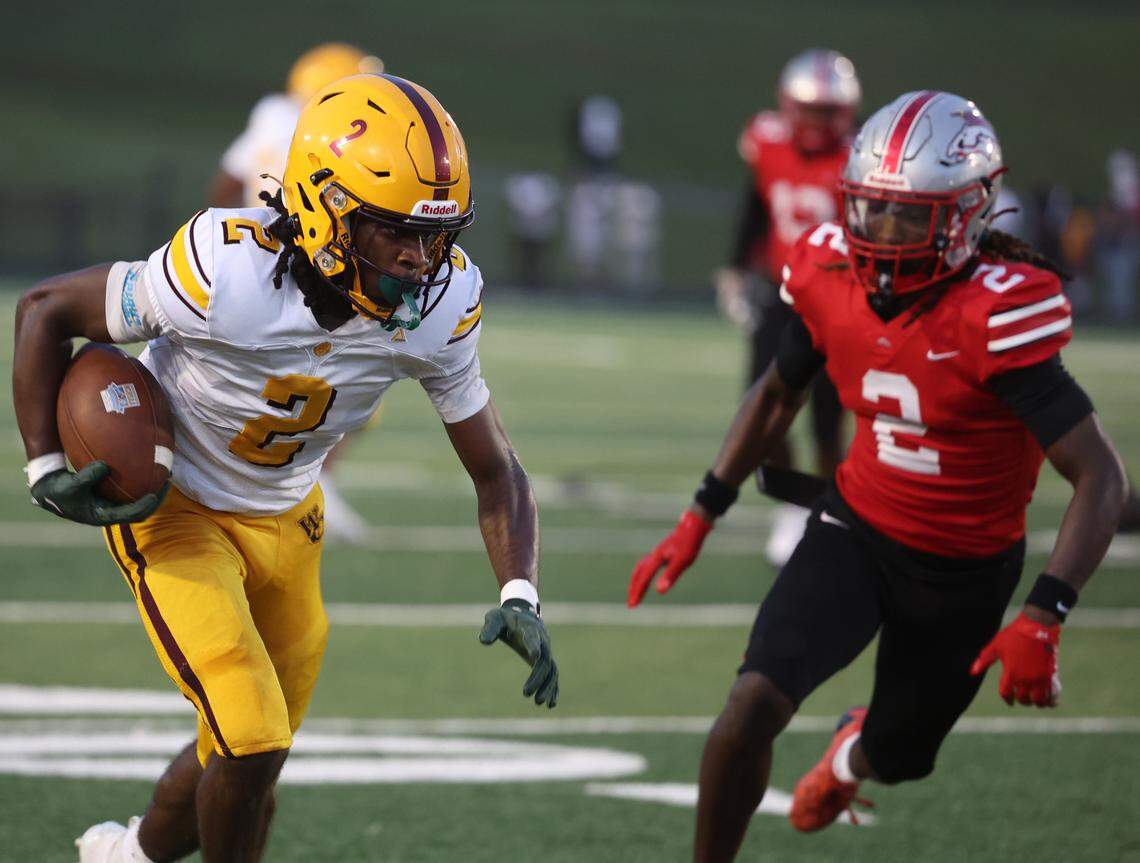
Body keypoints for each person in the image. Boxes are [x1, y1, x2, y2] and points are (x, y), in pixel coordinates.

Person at [14, 73, 559, 863]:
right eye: (395, 231)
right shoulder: (225, 270)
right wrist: (43, 465)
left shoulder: (438, 306)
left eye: (436, 236)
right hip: (177, 510)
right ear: (326, 208)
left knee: (247, 751)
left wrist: (520, 592)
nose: (420, 260)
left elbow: (496, 469)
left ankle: (127, 856)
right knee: (251, 735)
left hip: (292, 516)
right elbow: (46, 309)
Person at [629, 91, 1126, 862]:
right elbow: (776, 393)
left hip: (964, 571)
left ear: (967, 214)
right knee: (751, 703)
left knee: (900, 754)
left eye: (907, 217)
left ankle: (850, 757)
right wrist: (703, 509)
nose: (881, 234)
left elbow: (1099, 475)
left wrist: (1044, 611)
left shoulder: (995, 313)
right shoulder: (831, 272)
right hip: (855, 529)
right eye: (871, 210)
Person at [208, 43, 387, 543]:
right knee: (360, 379)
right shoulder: (321, 134)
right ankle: (311, 484)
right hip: (310, 267)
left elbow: (226, 183)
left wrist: (223, 232)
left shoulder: (269, 114)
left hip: (250, 263)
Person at [714, 49, 861, 566]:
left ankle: (831, 508)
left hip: (841, 300)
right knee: (761, 408)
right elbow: (756, 202)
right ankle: (795, 504)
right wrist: (735, 267)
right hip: (783, 292)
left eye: (828, 111)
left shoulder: (859, 159)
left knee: (827, 419)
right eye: (810, 109)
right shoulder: (768, 142)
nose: (818, 121)